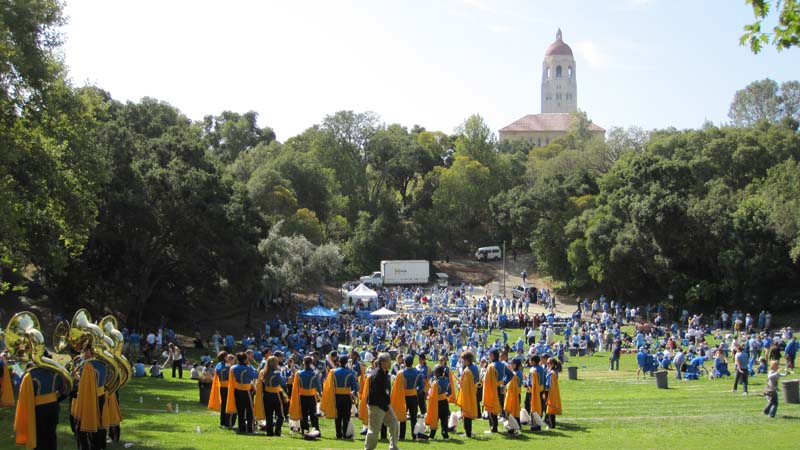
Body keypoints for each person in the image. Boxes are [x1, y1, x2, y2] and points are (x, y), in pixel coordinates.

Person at [14, 362, 68, 450]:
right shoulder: (55, 372)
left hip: (38, 409)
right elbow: (64, 390)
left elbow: (22, 391)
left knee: (39, 437)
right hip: (53, 408)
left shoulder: (31, 375)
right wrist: (55, 399)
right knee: (51, 435)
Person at [364, 352, 399, 450]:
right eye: (388, 360)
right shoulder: (377, 376)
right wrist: (385, 408)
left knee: (394, 423)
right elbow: (377, 396)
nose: (390, 362)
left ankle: (393, 447)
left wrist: (387, 406)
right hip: (376, 406)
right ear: (382, 362)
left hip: (385, 405)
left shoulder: (385, 374)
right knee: (374, 431)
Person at [391, 355, 424, 441]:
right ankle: (414, 435)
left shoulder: (401, 373)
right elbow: (421, 386)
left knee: (402, 415)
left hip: (403, 396)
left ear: (405, 362)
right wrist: (416, 391)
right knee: (413, 417)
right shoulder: (418, 372)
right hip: (413, 396)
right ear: (412, 362)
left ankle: (402, 435)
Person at [288, 356, 322, 436]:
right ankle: (316, 429)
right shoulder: (314, 373)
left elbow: (296, 385)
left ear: (304, 363)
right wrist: (320, 393)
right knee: (313, 414)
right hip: (311, 396)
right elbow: (318, 385)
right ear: (311, 363)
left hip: (302, 396)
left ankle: (304, 429)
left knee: (303, 414)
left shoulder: (299, 373)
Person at [229, 352, 258, 434]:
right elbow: (255, 375)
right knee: (250, 410)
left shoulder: (233, 367)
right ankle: (250, 429)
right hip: (246, 391)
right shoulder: (247, 368)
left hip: (237, 391)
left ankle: (241, 428)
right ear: (245, 359)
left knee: (240, 410)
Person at [258, 355, 286, 436]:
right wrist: (282, 372)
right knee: (280, 415)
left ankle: (269, 432)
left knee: (269, 415)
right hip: (275, 395)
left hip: (266, 395)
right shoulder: (276, 373)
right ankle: (277, 431)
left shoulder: (263, 372)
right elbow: (283, 382)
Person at [425, 365, 451, 440]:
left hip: (437, 402)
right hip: (445, 401)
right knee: (444, 419)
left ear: (437, 373)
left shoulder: (435, 382)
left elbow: (432, 394)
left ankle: (432, 434)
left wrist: (428, 397)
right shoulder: (447, 380)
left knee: (435, 418)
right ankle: (445, 433)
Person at [456, 351, 479, 438]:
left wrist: (460, 382)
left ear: (467, 360)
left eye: (463, 359)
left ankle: (468, 433)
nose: (462, 361)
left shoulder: (467, 370)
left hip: (467, 393)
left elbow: (464, 384)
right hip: (473, 391)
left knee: (466, 413)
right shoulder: (475, 367)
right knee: (470, 411)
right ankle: (469, 431)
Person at [482, 349, 505, 433]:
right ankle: (495, 426)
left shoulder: (491, 365)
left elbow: (488, 379)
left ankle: (493, 427)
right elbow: (508, 375)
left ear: (492, 355)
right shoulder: (502, 364)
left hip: (492, 388)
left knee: (491, 407)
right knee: (497, 406)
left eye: (489, 355)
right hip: (500, 387)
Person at [503, 358, 523, 435]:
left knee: (513, 411)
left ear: (515, 364)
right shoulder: (518, 372)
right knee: (515, 411)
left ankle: (513, 427)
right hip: (517, 393)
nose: (510, 365)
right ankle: (517, 425)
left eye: (512, 363)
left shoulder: (515, 373)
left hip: (514, 394)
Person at [543, 357, 562, 429]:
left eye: (548, 363)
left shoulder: (552, 372)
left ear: (553, 364)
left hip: (550, 391)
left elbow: (549, 382)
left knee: (550, 407)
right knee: (549, 407)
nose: (547, 364)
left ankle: (551, 424)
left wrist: (546, 389)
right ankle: (547, 421)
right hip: (551, 391)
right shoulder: (551, 370)